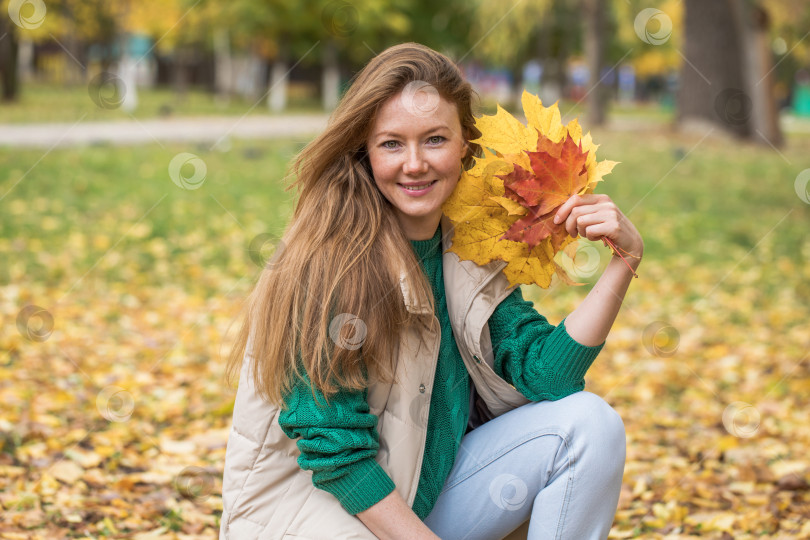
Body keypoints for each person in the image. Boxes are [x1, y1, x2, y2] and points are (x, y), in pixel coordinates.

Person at [219, 42, 643, 540]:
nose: (415, 164)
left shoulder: (470, 248)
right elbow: (336, 451)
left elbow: (544, 377)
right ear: (365, 151)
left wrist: (623, 262)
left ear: (466, 144)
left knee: (589, 424)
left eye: (435, 139)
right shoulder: (326, 261)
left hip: (420, 500)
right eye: (392, 143)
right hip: (320, 519)